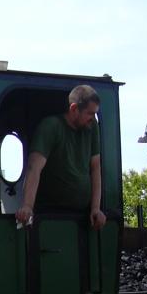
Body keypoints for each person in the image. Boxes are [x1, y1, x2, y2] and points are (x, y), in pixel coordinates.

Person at [15, 85, 107, 231]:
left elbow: (95, 168)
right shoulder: (51, 127)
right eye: (89, 114)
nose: (92, 119)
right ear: (74, 109)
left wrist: (96, 208)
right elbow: (34, 167)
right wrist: (27, 206)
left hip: (82, 216)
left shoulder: (92, 127)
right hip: (50, 214)